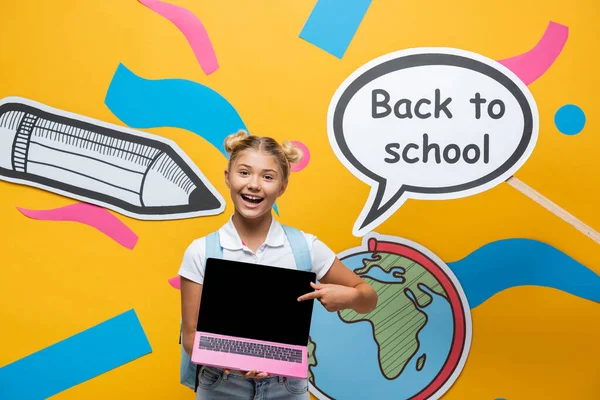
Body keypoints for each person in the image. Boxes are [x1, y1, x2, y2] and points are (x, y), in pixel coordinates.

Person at [178, 130, 378, 399]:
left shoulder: (305, 247)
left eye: (268, 177)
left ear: (282, 186)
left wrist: (352, 296)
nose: (254, 185)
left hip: (288, 386)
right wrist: (236, 364)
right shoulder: (201, 251)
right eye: (244, 172)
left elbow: (369, 299)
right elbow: (191, 337)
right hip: (221, 383)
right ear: (228, 177)